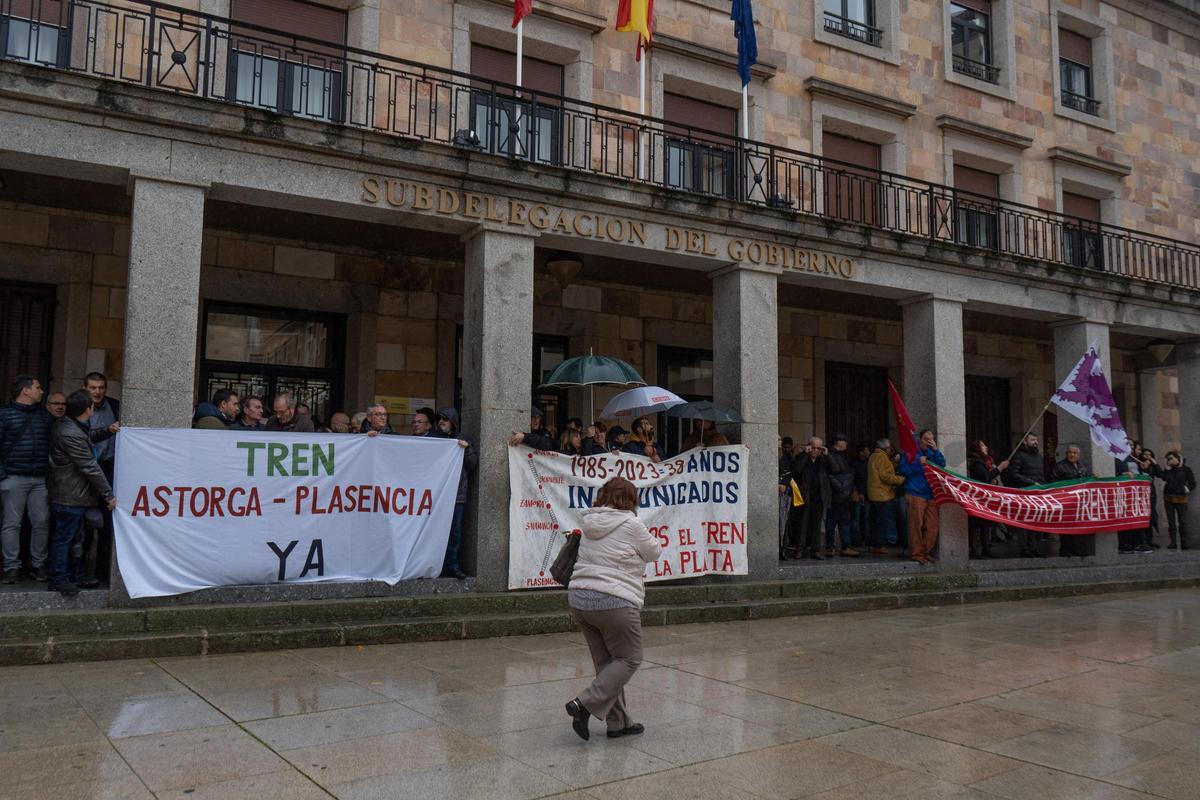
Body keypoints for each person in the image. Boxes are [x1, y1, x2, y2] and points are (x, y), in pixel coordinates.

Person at [564, 476, 662, 741]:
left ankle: (617, 723)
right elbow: (654, 552)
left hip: (580, 599)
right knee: (630, 658)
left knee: (607, 663)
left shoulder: (589, 522)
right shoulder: (632, 524)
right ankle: (583, 704)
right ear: (630, 500)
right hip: (614, 600)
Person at [47, 390, 117, 596]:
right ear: (88, 409)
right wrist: (108, 494)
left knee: (73, 537)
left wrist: (108, 430)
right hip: (69, 494)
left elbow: (89, 437)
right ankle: (59, 578)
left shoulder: (71, 425)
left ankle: (73, 574)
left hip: (73, 493)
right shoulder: (69, 432)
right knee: (64, 538)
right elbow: (89, 466)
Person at [0, 376, 54, 583]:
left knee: (41, 522)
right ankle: (11, 567)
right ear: (26, 390)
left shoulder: (44, 417)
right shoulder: (4, 415)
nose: (41, 391)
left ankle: (38, 564)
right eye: (38, 388)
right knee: (11, 524)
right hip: (13, 477)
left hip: (39, 479)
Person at [782, 437, 839, 560]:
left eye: (819, 448)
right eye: (813, 448)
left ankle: (816, 550)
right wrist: (805, 454)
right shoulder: (802, 458)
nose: (816, 451)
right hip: (805, 497)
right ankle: (799, 550)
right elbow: (797, 470)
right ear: (809, 447)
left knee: (816, 526)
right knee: (802, 525)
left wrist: (828, 455)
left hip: (819, 497)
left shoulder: (823, 460)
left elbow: (835, 469)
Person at [437, 407, 476, 579]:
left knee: (454, 532)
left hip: (456, 494)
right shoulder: (434, 439)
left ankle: (452, 565)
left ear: (453, 422)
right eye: (439, 420)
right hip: (436, 495)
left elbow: (472, 464)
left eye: (444, 419)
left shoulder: (463, 440)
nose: (441, 423)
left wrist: (466, 449)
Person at [898, 429, 946, 565]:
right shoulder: (911, 452)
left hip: (931, 493)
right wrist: (917, 463)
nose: (929, 442)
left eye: (931, 439)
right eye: (926, 439)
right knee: (916, 524)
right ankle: (917, 553)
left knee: (933, 525)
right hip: (915, 492)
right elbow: (903, 470)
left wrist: (936, 450)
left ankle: (926, 551)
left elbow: (942, 465)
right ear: (920, 439)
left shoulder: (932, 452)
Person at [1002, 433, 1048, 558]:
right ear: (1025, 442)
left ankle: (1033, 546)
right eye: (1032, 439)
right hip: (1023, 493)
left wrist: (1043, 486)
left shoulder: (1039, 457)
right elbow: (1014, 474)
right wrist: (1031, 483)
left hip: (1036, 494)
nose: (1035, 442)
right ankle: (1024, 547)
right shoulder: (1019, 456)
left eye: (1036, 440)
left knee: (1035, 521)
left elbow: (1040, 475)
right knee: (1024, 521)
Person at [967, 440, 1009, 559]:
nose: (986, 447)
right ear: (977, 448)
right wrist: (1000, 468)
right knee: (977, 524)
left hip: (985, 497)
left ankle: (986, 549)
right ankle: (975, 550)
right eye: (983, 445)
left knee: (986, 523)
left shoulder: (985, 461)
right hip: (978, 497)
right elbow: (985, 477)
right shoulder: (976, 462)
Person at [1051, 444, 1092, 557]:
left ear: (1079, 455)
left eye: (1074, 453)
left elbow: (1087, 479)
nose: (1072, 455)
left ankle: (1077, 549)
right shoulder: (1060, 466)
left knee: (1079, 526)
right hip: (1066, 502)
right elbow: (1054, 481)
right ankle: (1065, 550)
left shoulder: (1083, 467)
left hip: (1080, 503)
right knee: (1066, 526)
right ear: (1066, 454)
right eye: (1070, 452)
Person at [867, 438, 905, 555]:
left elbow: (884, 469)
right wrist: (902, 479)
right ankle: (879, 545)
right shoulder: (882, 457)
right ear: (886, 448)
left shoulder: (874, 456)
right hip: (882, 495)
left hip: (874, 494)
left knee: (874, 521)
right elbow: (885, 476)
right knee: (881, 522)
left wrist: (894, 462)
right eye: (890, 448)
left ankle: (873, 544)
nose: (891, 450)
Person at [825, 434, 857, 557]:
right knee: (833, 522)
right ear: (839, 442)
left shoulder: (839, 456)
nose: (847, 444)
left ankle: (843, 546)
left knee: (842, 521)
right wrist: (840, 488)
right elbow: (835, 472)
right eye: (845, 442)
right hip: (837, 494)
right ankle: (832, 547)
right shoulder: (832, 455)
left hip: (843, 495)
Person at [1157, 451, 1195, 550]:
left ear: (1178, 458)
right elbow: (1164, 478)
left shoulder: (1186, 469)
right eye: (1168, 459)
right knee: (1171, 522)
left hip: (1181, 498)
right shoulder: (1169, 469)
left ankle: (1184, 543)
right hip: (1168, 498)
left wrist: (1185, 489)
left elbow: (1193, 483)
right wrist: (1167, 469)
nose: (1170, 461)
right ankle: (1173, 542)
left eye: (1171, 458)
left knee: (1182, 521)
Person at [850, 443, 871, 549]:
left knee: (865, 518)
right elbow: (854, 479)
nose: (869, 452)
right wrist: (858, 491)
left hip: (867, 494)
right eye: (866, 450)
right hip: (858, 494)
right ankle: (856, 540)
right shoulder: (855, 464)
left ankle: (865, 539)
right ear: (861, 452)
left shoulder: (868, 463)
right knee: (856, 518)